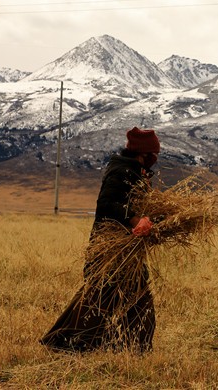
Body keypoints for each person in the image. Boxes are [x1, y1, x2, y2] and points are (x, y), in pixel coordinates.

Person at [41, 127, 161, 352]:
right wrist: (134, 220)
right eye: (153, 154)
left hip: (127, 248)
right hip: (110, 247)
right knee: (101, 296)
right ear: (143, 153)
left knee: (129, 295)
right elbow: (106, 204)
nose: (155, 158)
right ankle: (69, 343)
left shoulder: (138, 172)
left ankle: (134, 347)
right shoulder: (122, 171)